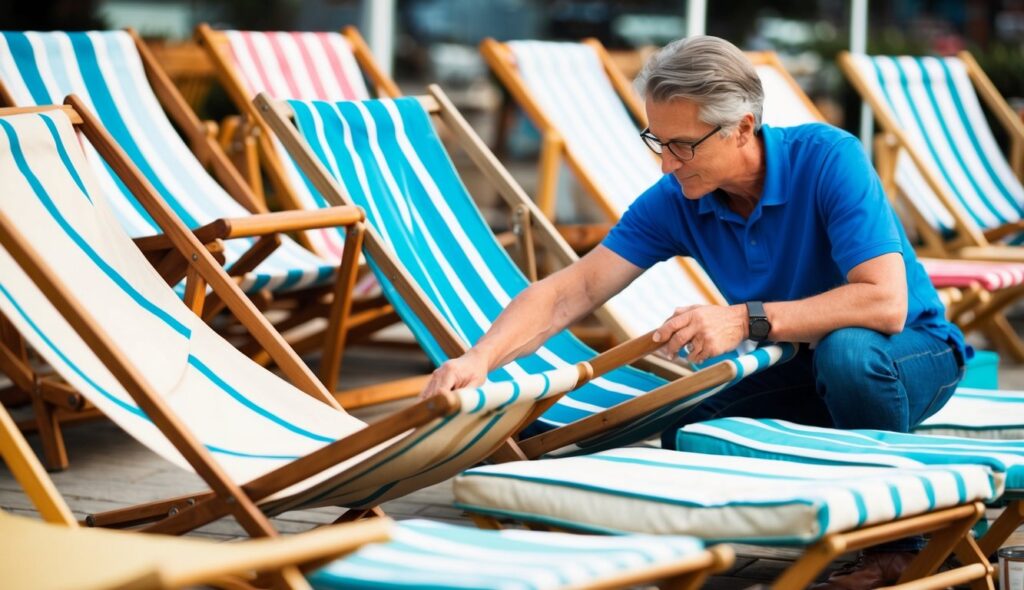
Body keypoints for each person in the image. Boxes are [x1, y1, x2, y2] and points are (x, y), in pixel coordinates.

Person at [423, 36, 968, 590]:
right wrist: (480, 359)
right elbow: (573, 288)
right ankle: (803, 519)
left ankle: (903, 549)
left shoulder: (829, 158)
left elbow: (885, 302)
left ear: (743, 128)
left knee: (847, 352)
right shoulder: (680, 195)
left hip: (908, 354)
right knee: (685, 428)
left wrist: (743, 320)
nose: (665, 163)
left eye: (681, 145)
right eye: (656, 142)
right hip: (796, 365)